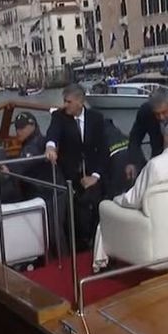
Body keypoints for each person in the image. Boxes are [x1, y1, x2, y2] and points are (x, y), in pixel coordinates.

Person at [93, 121, 168, 271]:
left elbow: (133, 200)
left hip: (156, 239)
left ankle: (101, 264)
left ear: (166, 138)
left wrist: (117, 199)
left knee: (106, 208)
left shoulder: (156, 165)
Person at [44, 83, 111, 251]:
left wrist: (95, 176)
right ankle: (77, 248)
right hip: (70, 175)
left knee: (96, 210)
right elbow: (53, 133)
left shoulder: (96, 118)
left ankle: (97, 246)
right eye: (64, 101)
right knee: (73, 216)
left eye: (68, 102)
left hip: (92, 173)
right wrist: (50, 146)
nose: (64, 105)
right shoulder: (59, 117)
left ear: (80, 102)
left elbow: (104, 148)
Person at [11, 111, 68, 255]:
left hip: (51, 193)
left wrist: (6, 169)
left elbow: (22, 165)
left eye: (22, 127)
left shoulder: (37, 144)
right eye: (17, 127)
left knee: (54, 231)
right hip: (41, 193)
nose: (18, 131)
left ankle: (65, 260)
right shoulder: (30, 144)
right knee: (47, 232)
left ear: (33, 125)